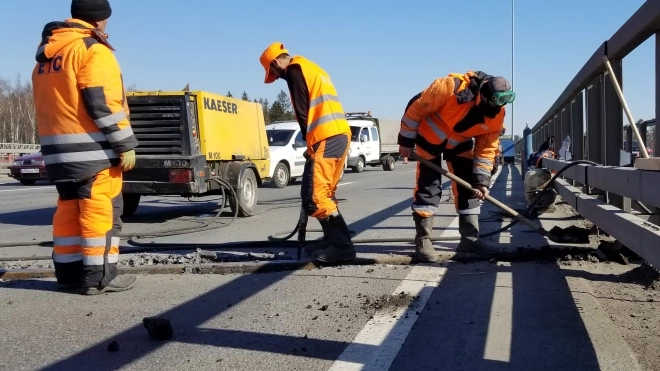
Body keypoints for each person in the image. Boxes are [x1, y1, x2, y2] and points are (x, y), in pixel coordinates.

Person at [31, 0, 139, 295]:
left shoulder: (47, 57)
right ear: (101, 21)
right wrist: (125, 144)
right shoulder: (92, 50)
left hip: (58, 156)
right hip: (93, 154)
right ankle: (100, 278)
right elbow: (103, 103)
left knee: (67, 214)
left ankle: (67, 275)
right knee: (100, 214)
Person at [399, 71, 514, 261]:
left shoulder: (497, 114)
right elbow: (416, 108)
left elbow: (486, 149)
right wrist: (406, 140)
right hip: (429, 138)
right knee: (429, 187)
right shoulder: (451, 87)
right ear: (482, 95)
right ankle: (423, 241)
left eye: (502, 103)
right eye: (493, 102)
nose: (497, 107)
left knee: (469, 187)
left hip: (458, 142)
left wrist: (482, 181)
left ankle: (469, 239)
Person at [259, 42, 354, 263]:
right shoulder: (311, 67)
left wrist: (310, 146)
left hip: (325, 136)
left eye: (273, 73)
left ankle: (342, 247)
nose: (276, 77)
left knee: (314, 197)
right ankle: (333, 240)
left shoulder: (293, 71)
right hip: (339, 134)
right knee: (324, 193)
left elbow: (303, 113)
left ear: (275, 62)